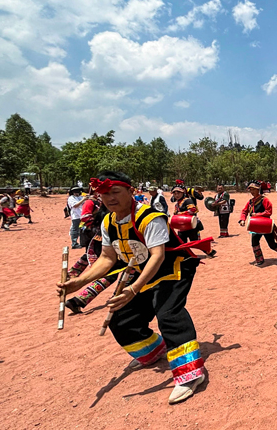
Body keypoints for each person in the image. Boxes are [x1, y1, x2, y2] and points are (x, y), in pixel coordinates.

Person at [58, 171, 212, 404]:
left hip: (173, 269)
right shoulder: (108, 221)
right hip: (141, 272)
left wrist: (133, 289)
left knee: (168, 314)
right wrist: (78, 282)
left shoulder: (150, 217)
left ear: (131, 192)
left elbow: (157, 256)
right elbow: (108, 258)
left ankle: (190, 374)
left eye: (115, 192)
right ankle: (153, 351)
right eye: (104, 194)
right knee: (120, 318)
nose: (109, 198)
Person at [239, 182, 277, 265]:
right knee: (254, 242)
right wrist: (242, 219)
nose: (252, 191)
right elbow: (245, 211)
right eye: (250, 190)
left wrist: (258, 214)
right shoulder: (250, 202)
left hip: (265, 225)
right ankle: (259, 259)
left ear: (258, 190)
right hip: (255, 226)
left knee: (272, 244)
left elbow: (269, 211)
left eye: (253, 189)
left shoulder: (264, 200)